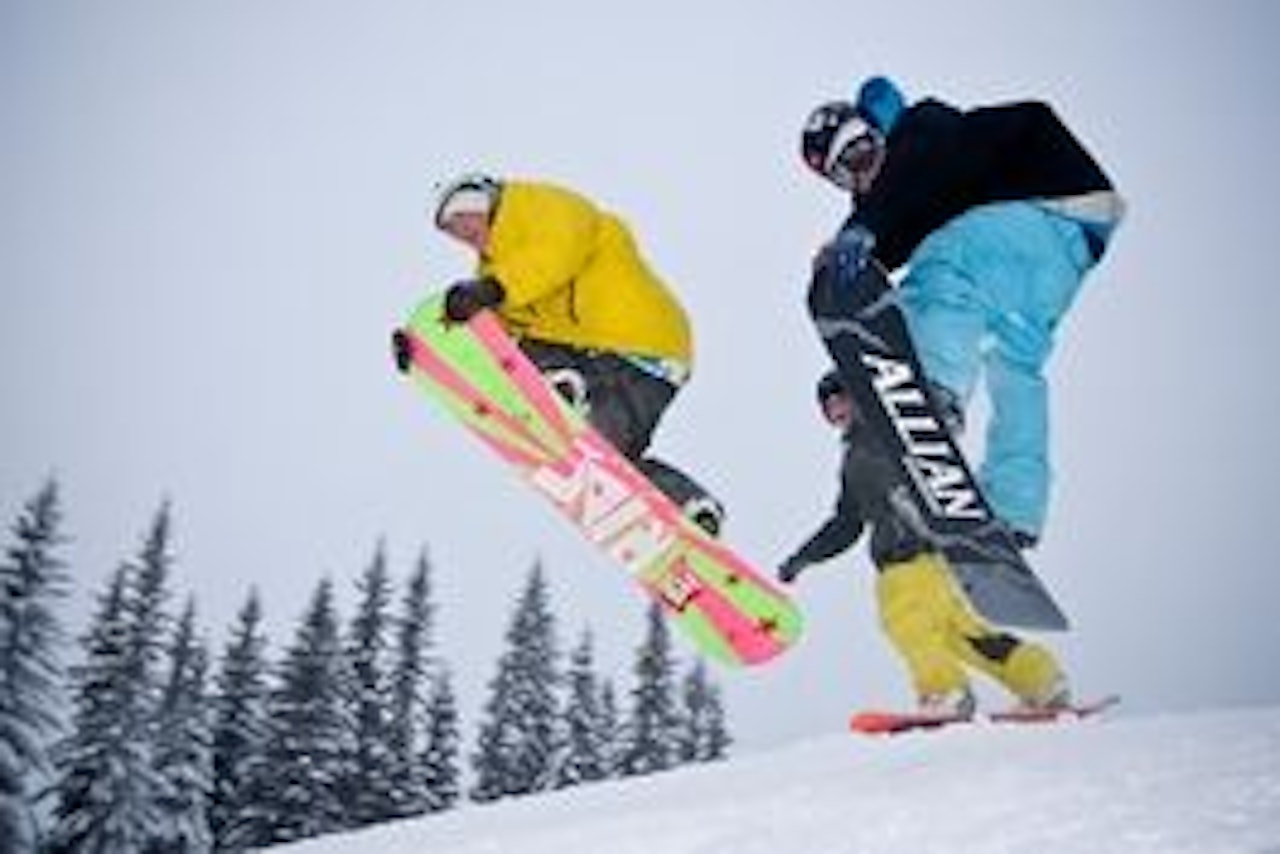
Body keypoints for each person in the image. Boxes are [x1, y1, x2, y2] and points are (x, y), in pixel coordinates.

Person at [800, 77, 1125, 547]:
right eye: (845, 173)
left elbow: (911, 172)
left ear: (878, 130)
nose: (861, 171)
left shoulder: (921, 129)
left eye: (862, 150)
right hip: (1065, 247)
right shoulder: (902, 201)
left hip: (1046, 192)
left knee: (941, 270)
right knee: (1013, 366)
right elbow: (879, 288)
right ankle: (1016, 509)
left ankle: (933, 392)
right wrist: (852, 375)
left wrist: (859, 228)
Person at [397, 172, 724, 536]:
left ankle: (561, 385)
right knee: (603, 459)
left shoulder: (533, 207)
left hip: (624, 340)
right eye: (450, 230)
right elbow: (490, 338)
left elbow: (559, 250)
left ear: (483, 202)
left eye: (462, 217)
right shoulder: (496, 273)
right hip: (656, 367)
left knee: (524, 355)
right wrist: (427, 351)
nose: (460, 232)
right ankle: (687, 509)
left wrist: (493, 288)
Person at [778, 369, 1070, 715]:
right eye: (828, 406)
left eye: (841, 399)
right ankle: (1039, 679)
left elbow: (854, 516)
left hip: (905, 562)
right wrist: (804, 557)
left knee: (906, 624)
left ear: (860, 396)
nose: (836, 409)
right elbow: (846, 525)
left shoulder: (871, 442)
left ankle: (944, 692)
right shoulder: (862, 450)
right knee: (964, 634)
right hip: (942, 562)